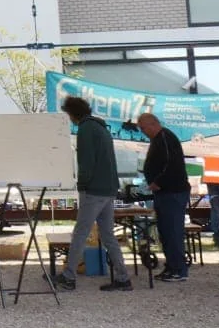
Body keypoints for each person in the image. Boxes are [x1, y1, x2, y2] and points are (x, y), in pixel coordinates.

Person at [54, 95, 131, 292]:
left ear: (72, 114)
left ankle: (68, 276)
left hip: (93, 189)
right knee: (108, 235)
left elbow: (86, 162)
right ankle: (123, 277)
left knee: (80, 232)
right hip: (108, 188)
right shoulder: (102, 128)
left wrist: (82, 184)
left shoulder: (86, 129)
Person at [136, 112, 189, 282]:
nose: (143, 131)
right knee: (165, 232)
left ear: (153, 124)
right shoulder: (158, 139)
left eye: (143, 128)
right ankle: (171, 266)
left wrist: (158, 181)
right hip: (163, 192)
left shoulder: (165, 137)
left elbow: (171, 163)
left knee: (173, 231)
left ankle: (179, 269)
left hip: (172, 192)